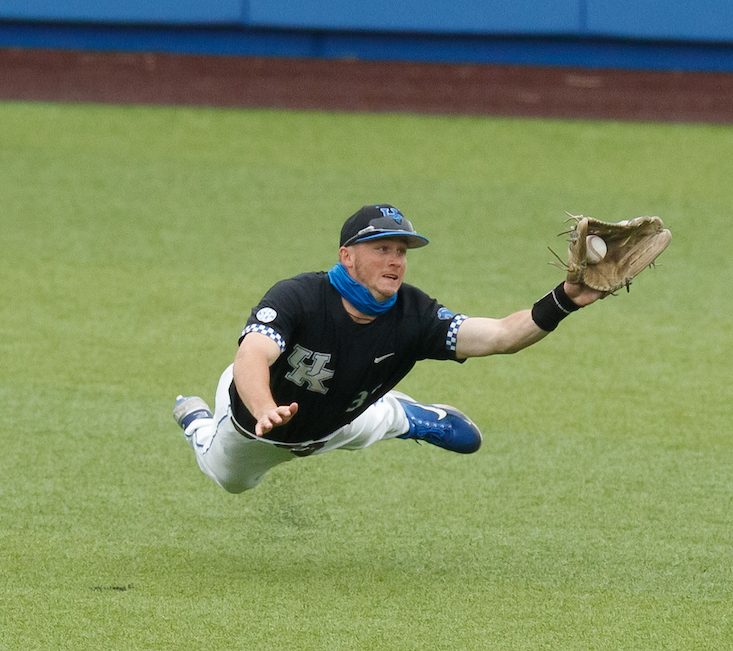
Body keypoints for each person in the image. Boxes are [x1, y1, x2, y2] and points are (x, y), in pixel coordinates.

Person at [173, 203, 603, 493]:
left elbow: (501, 336)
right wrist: (265, 407)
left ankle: (410, 416)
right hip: (256, 430)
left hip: (342, 419)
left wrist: (564, 299)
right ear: (347, 256)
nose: (396, 260)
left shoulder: (414, 314)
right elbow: (251, 355)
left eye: (401, 251)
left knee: (373, 419)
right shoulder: (298, 297)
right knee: (230, 481)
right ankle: (195, 421)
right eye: (382, 249)